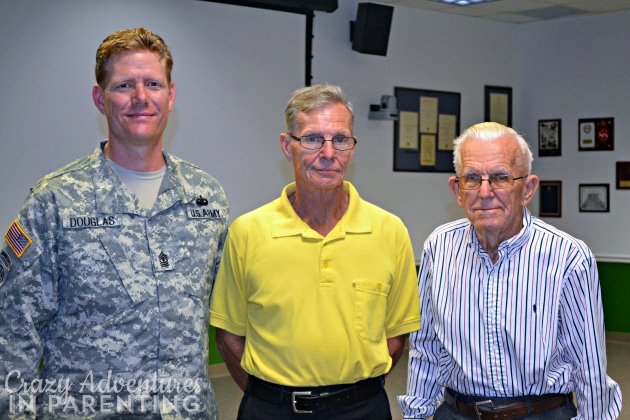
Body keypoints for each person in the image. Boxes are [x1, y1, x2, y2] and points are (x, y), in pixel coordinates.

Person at [0, 27, 229, 418]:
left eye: (153, 84)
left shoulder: (207, 199)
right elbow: (11, 334)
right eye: (124, 85)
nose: (141, 98)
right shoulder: (55, 201)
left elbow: (226, 314)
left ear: (170, 95)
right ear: (99, 98)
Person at [209, 84, 420, 419]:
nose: (328, 152)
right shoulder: (248, 232)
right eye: (312, 139)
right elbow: (228, 334)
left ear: (351, 147)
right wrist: (268, 396)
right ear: (286, 145)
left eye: (340, 139)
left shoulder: (389, 231)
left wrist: (353, 393)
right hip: (271, 410)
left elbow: (397, 335)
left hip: (362, 410)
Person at [398, 122, 622, 419]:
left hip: (540, 413)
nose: (485, 192)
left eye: (501, 178)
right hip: (457, 412)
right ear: (456, 189)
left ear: (528, 188)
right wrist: (416, 414)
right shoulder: (439, 249)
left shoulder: (567, 256)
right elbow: (425, 348)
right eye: (472, 178)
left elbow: (589, 367)